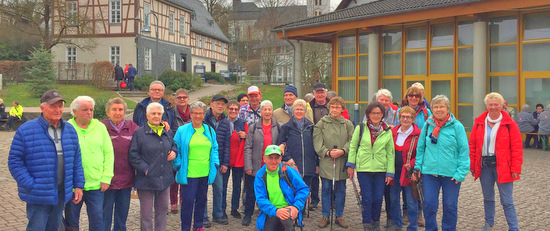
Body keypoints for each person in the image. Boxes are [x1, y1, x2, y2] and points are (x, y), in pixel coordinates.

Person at [8, 90, 85, 231]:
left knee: (54, 227)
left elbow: (76, 160)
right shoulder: (26, 130)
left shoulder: (70, 130)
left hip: (61, 193)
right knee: (36, 228)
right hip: (38, 194)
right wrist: (30, 184)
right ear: (42, 108)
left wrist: (78, 185)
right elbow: (15, 162)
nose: (58, 110)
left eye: (60, 106)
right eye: (53, 106)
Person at [412, 95, 469, 231]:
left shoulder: (457, 127)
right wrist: (418, 167)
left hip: (451, 175)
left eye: (441, 106)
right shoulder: (427, 125)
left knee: (450, 206)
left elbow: (464, 151)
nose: (438, 109)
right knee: (429, 205)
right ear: (432, 109)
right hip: (429, 173)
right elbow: (420, 149)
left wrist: (461, 173)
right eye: (436, 107)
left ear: (447, 109)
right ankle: (431, 228)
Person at [469, 92, 523, 231]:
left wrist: (516, 168)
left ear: (502, 105)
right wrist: (472, 164)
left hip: (504, 166)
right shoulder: (479, 123)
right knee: (488, 198)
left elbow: (517, 148)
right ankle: (489, 223)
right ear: (486, 105)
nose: (493, 107)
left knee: (507, 201)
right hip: (485, 165)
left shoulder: (510, 124)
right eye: (490, 104)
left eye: (496, 104)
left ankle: (513, 227)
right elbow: (473, 145)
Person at [64, 96, 114, 231]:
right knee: (72, 223)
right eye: (85, 109)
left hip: (96, 184)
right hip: (73, 186)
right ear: (74, 112)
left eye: (91, 109)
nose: (89, 112)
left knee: (97, 222)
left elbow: (108, 153)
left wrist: (106, 177)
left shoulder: (100, 127)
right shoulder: (66, 128)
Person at [347, 101, 395, 231]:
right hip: (364, 169)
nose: (376, 115)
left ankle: (376, 221)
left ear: (382, 115)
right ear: (368, 114)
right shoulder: (361, 128)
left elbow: (391, 153)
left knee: (378, 198)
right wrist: (350, 165)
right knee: (367, 198)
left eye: (378, 113)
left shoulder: (387, 130)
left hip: (381, 169)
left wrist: (390, 172)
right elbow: (353, 147)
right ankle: (367, 222)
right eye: (373, 113)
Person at [129, 102, 177, 231]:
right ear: (147, 115)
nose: (156, 116)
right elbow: (133, 155)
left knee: (162, 211)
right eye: (153, 113)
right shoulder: (139, 133)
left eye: (159, 114)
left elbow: (173, 144)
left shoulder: (167, 131)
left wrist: (174, 152)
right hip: (146, 179)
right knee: (146, 214)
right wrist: (145, 169)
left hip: (165, 178)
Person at [173, 101, 220, 231]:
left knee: (201, 201)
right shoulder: (182, 130)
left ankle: (198, 225)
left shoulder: (209, 130)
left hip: (204, 172)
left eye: (200, 113)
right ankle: (185, 227)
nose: (198, 116)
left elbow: (215, 148)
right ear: (191, 114)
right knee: (187, 202)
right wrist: (177, 165)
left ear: (204, 114)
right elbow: (175, 148)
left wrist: (215, 164)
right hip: (188, 173)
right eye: (195, 113)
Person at [313, 96, 354, 228]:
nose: (335, 109)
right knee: (325, 188)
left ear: (342, 109)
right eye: (332, 107)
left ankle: (339, 215)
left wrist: (343, 151)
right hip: (327, 161)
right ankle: (325, 215)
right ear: (329, 108)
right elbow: (317, 143)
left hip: (341, 161)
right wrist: (327, 152)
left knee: (341, 189)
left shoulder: (347, 124)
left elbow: (352, 141)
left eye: (338, 107)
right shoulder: (322, 123)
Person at [101, 97, 140, 231]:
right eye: (114, 110)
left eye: (121, 109)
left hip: (126, 179)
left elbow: (147, 136)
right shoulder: (101, 127)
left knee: (122, 216)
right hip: (107, 181)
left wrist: (163, 125)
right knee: (104, 215)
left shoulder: (133, 127)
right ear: (108, 112)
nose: (117, 113)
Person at [243, 100, 282, 226]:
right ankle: (248, 214)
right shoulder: (253, 128)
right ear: (260, 111)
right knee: (251, 192)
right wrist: (248, 165)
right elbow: (248, 147)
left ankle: (270, 215)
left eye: (269, 109)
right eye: (264, 109)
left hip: (272, 166)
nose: (267, 112)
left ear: (272, 111)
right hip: (256, 165)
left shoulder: (279, 127)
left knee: (271, 191)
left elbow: (284, 143)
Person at [254, 145, 310, 231]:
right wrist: (276, 211)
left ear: (280, 159)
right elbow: (261, 200)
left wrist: (296, 207)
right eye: (270, 158)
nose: (273, 161)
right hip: (270, 211)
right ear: (264, 159)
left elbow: (303, 189)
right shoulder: (260, 176)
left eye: (276, 158)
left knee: (288, 225)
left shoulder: (288, 170)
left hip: (288, 209)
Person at [277, 99, 316, 210]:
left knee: (303, 191)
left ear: (305, 111)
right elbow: (280, 145)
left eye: (301, 109)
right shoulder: (286, 127)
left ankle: (301, 213)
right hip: (292, 165)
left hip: (308, 165)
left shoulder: (311, 127)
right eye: (297, 109)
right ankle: (293, 213)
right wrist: (288, 158)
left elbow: (315, 146)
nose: (299, 111)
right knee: (293, 190)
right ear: (293, 111)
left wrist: (316, 164)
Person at [388, 106, 422, 231]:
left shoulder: (418, 134)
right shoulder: (392, 132)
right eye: (403, 116)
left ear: (413, 119)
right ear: (399, 118)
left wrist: (412, 163)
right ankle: (397, 225)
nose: (405, 119)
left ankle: (413, 227)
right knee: (394, 199)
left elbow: (421, 153)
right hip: (394, 171)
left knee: (411, 201)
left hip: (409, 172)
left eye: (408, 117)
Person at [203, 95, 231, 226]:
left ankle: (218, 214)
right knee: (202, 190)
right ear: (211, 104)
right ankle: (202, 216)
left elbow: (227, 143)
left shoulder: (225, 122)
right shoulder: (203, 119)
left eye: (223, 104)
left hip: (218, 162)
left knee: (219, 189)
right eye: (218, 103)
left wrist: (225, 162)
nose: (220, 106)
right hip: (202, 161)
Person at [307, 82, 330, 210]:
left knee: (329, 172)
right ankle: (315, 199)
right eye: (318, 92)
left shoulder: (332, 105)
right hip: (313, 142)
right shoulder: (309, 106)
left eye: (322, 92)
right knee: (314, 172)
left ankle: (332, 199)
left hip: (330, 143)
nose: (320, 95)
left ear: (326, 93)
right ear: (314, 93)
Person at [170, 88, 191, 213]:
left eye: (184, 97)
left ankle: (184, 199)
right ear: (176, 99)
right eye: (179, 97)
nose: (182, 99)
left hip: (189, 148)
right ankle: (173, 202)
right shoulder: (172, 113)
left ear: (188, 99)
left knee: (186, 174)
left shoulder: (192, 112)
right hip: (175, 147)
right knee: (174, 176)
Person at [227, 100, 249, 219]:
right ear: (227, 110)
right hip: (225, 159)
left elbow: (248, 139)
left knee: (237, 185)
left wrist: (246, 135)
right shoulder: (223, 122)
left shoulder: (243, 123)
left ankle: (234, 208)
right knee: (222, 186)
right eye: (231, 109)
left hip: (238, 159)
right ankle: (221, 208)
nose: (233, 111)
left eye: (236, 109)